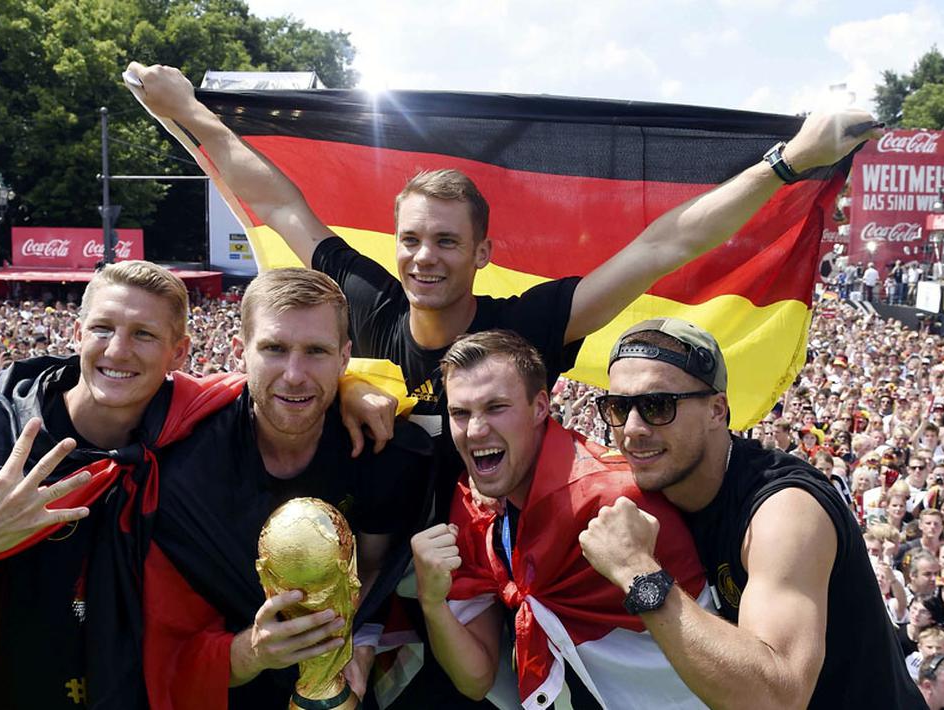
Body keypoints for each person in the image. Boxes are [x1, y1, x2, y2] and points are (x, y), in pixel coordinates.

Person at [125, 61, 880, 443]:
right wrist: (188, 112)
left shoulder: (526, 327)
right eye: (411, 239)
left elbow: (663, 245)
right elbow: (282, 203)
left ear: (482, 252)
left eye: (446, 241)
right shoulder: (367, 299)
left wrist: (790, 162)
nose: (423, 257)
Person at [0, 261, 388, 708]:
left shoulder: (187, 425)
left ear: (179, 353)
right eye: (103, 329)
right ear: (77, 334)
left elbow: (284, 381)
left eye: (144, 335)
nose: (119, 351)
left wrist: (353, 389)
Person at [578, 317, 925, 707]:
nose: (632, 428)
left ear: (717, 410)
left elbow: (779, 697)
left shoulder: (785, 511)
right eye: (617, 407)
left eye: (657, 406)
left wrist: (636, 571)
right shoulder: (655, 486)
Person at [141, 268, 431, 708]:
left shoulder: (385, 451)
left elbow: (374, 566)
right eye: (274, 349)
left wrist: (356, 638)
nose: (295, 374)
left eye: (316, 351)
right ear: (240, 352)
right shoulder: (181, 463)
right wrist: (251, 652)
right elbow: (167, 646)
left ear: (344, 358)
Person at [410, 330, 709, 707]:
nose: (475, 430)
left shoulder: (618, 500)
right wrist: (432, 602)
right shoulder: (473, 506)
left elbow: (712, 648)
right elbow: (475, 680)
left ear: (540, 407)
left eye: (496, 407)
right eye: (460, 413)